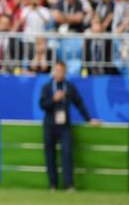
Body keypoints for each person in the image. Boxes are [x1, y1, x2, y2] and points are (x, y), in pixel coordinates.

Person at [39, 61, 100, 191]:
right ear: (54, 71)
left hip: (64, 125)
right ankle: (53, 185)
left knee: (67, 154)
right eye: (57, 70)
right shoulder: (47, 87)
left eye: (62, 71)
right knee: (50, 155)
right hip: (49, 125)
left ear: (65, 72)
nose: (59, 73)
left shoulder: (69, 87)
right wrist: (53, 99)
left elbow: (79, 104)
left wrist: (88, 119)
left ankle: (69, 185)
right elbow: (42, 105)